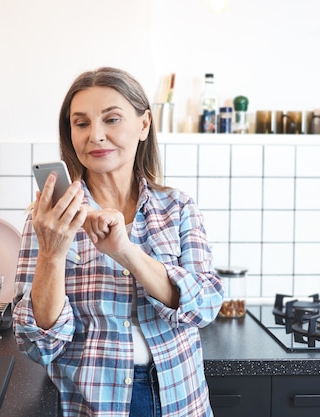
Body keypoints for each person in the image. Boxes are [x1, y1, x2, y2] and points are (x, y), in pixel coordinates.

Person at [12, 67, 224, 417]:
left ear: (143, 125)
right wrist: (52, 252)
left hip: (180, 399)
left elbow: (204, 306)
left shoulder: (178, 208)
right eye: (81, 123)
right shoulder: (50, 220)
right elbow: (39, 344)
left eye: (111, 119)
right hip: (94, 405)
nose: (95, 135)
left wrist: (126, 251)